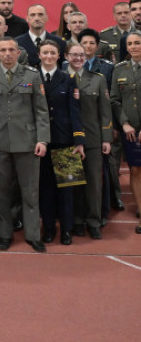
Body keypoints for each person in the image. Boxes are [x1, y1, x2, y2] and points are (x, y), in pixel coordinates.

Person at [0, 37, 50, 252]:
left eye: (11, 50)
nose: (7, 54)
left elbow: (41, 110)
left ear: (18, 53)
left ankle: (33, 234)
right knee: (1, 192)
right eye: (3, 50)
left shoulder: (32, 75)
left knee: (30, 192)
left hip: (28, 142)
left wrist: (42, 139)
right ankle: (4, 233)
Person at [37, 40, 84, 245]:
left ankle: (66, 229)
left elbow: (75, 111)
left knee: (67, 188)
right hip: (40, 141)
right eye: (45, 52)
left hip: (64, 140)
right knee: (45, 188)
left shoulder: (68, 79)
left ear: (59, 56)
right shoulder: (32, 77)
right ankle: (48, 228)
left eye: (52, 53)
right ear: (39, 55)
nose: (49, 56)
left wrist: (78, 140)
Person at [65, 42, 113, 238]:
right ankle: (76, 220)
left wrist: (106, 139)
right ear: (66, 56)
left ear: (86, 57)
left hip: (93, 139)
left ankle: (93, 221)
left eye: (81, 55)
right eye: (74, 54)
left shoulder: (97, 79)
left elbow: (105, 112)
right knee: (71, 183)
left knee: (94, 183)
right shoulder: (60, 78)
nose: (78, 58)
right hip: (67, 140)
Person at [110, 30, 141, 234]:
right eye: (130, 44)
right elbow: (115, 100)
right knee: (135, 170)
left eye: (137, 42)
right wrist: (124, 123)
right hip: (130, 130)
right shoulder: (119, 69)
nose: (133, 47)